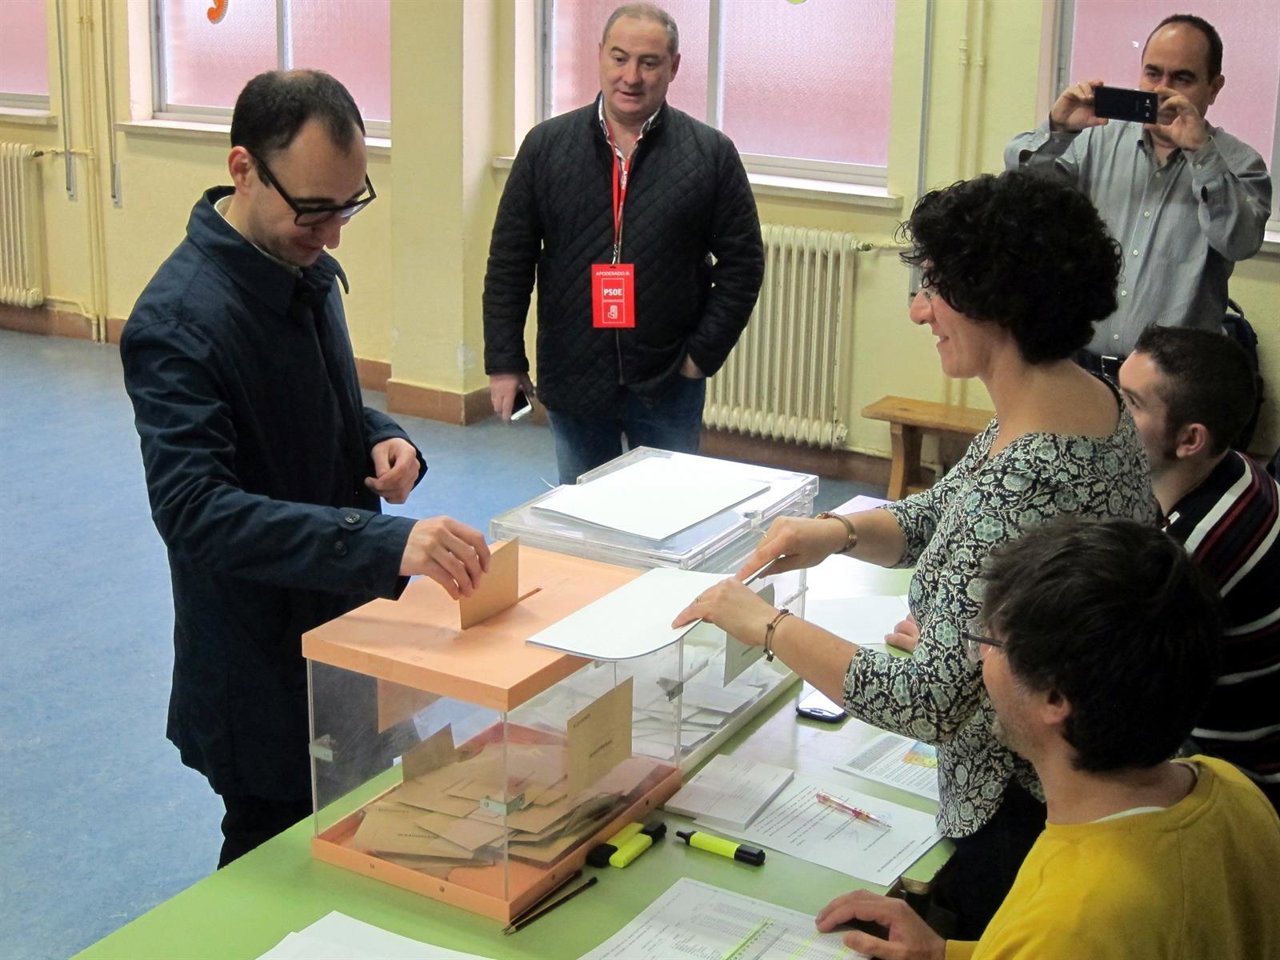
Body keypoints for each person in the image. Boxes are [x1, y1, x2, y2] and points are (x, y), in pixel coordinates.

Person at [675, 170, 1158, 937]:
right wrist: (836, 532)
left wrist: (764, 626)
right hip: (1078, 771)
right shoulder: (1077, 400)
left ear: (994, 300)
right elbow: (948, 511)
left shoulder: (1028, 472)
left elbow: (927, 702)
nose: (917, 310)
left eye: (933, 288)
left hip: (1019, 815)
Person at [121, 70, 490, 867]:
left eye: (350, 205)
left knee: (384, 823)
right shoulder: (178, 323)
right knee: (272, 862)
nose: (333, 234)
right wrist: (383, 545)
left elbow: (325, 400)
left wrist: (385, 435)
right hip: (262, 666)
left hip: (348, 632)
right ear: (245, 167)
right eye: (314, 209)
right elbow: (196, 511)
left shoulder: (301, 266)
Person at [815, 518, 1280, 959]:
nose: (978, 655)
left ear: (1055, 697)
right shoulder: (1233, 790)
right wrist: (945, 952)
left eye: (991, 642)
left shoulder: (1071, 917)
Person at [482, 2, 764, 484]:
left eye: (648, 62)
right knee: (584, 523)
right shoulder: (546, 147)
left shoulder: (711, 155)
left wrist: (699, 357)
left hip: (669, 379)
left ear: (673, 67)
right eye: (619, 58)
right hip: (573, 376)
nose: (630, 76)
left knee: (666, 520)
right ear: (600, 57)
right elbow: (510, 260)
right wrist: (505, 363)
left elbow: (743, 263)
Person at [1004, 14, 1271, 379]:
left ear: (1214, 87)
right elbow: (1023, 192)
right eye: (1153, 73)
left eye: (1183, 78)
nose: (1162, 90)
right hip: (1081, 369)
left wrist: (1202, 155)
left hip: (1174, 384)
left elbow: (1241, 242)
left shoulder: (1240, 163)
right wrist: (1057, 130)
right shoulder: (1095, 140)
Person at [1119, 325, 1280, 811]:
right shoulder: (1241, 469)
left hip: (1233, 779)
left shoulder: (1186, 553)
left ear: (1190, 439)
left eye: (1132, 404)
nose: (1112, 414)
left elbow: (1103, 682)